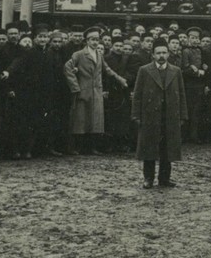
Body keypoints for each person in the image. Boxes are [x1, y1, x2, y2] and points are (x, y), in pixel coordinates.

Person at [132, 38, 187, 189]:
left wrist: (182, 114)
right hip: (150, 115)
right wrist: (136, 114)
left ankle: (164, 179)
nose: (161, 56)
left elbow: (181, 94)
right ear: (153, 55)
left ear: (169, 54)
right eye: (158, 53)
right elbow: (137, 94)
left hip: (169, 115)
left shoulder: (176, 71)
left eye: (164, 52)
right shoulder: (144, 70)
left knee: (167, 149)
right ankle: (148, 178)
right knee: (149, 148)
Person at [64, 26, 128, 154]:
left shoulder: (99, 54)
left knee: (95, 120)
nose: (95, 42)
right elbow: (67, 68)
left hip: (96, 91)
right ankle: (77, 148)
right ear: (87, 41)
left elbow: (107, 69)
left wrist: (120, 79)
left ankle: (92, 147)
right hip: (83, 90)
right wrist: (75, 87)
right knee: (81, 120)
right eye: (92, 39)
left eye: (97, 40)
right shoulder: (79, 54)